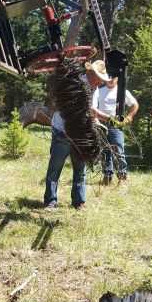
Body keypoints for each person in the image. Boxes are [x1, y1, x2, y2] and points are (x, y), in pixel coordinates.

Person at [44, 60, 110, 210]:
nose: (100, 82)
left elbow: (92, 110)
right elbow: (83, 109)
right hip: (62, 129)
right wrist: (109, 119)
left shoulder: (95, 88)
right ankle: (50, 201)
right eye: (99, 78)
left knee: (80, 166)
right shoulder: (73, 83)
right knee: (56, 165)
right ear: (91, 73)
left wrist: (104, 120)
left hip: (80, 132)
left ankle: (79, 201)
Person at [93, 77, 139, 183]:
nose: (111, 79)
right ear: (104, 78)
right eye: (108, 77)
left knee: (119, 149)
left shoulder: (122, 92)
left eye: (113, 77)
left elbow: (135, 105)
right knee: (105, 151)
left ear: (117, 78)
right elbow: (93, 108)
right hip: (101, 123)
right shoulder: (98, 91)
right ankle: (107, 177)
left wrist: (128, 118)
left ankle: (122, 177)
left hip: (116, 124)